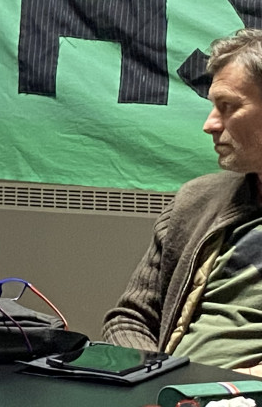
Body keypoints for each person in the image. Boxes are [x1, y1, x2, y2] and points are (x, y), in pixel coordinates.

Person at [103, 28, 262, 373]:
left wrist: (232, 386)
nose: (210, 124)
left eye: (228, 107)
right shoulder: (196, 202)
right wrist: (155, 378)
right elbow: (129, 320)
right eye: (213, 106)